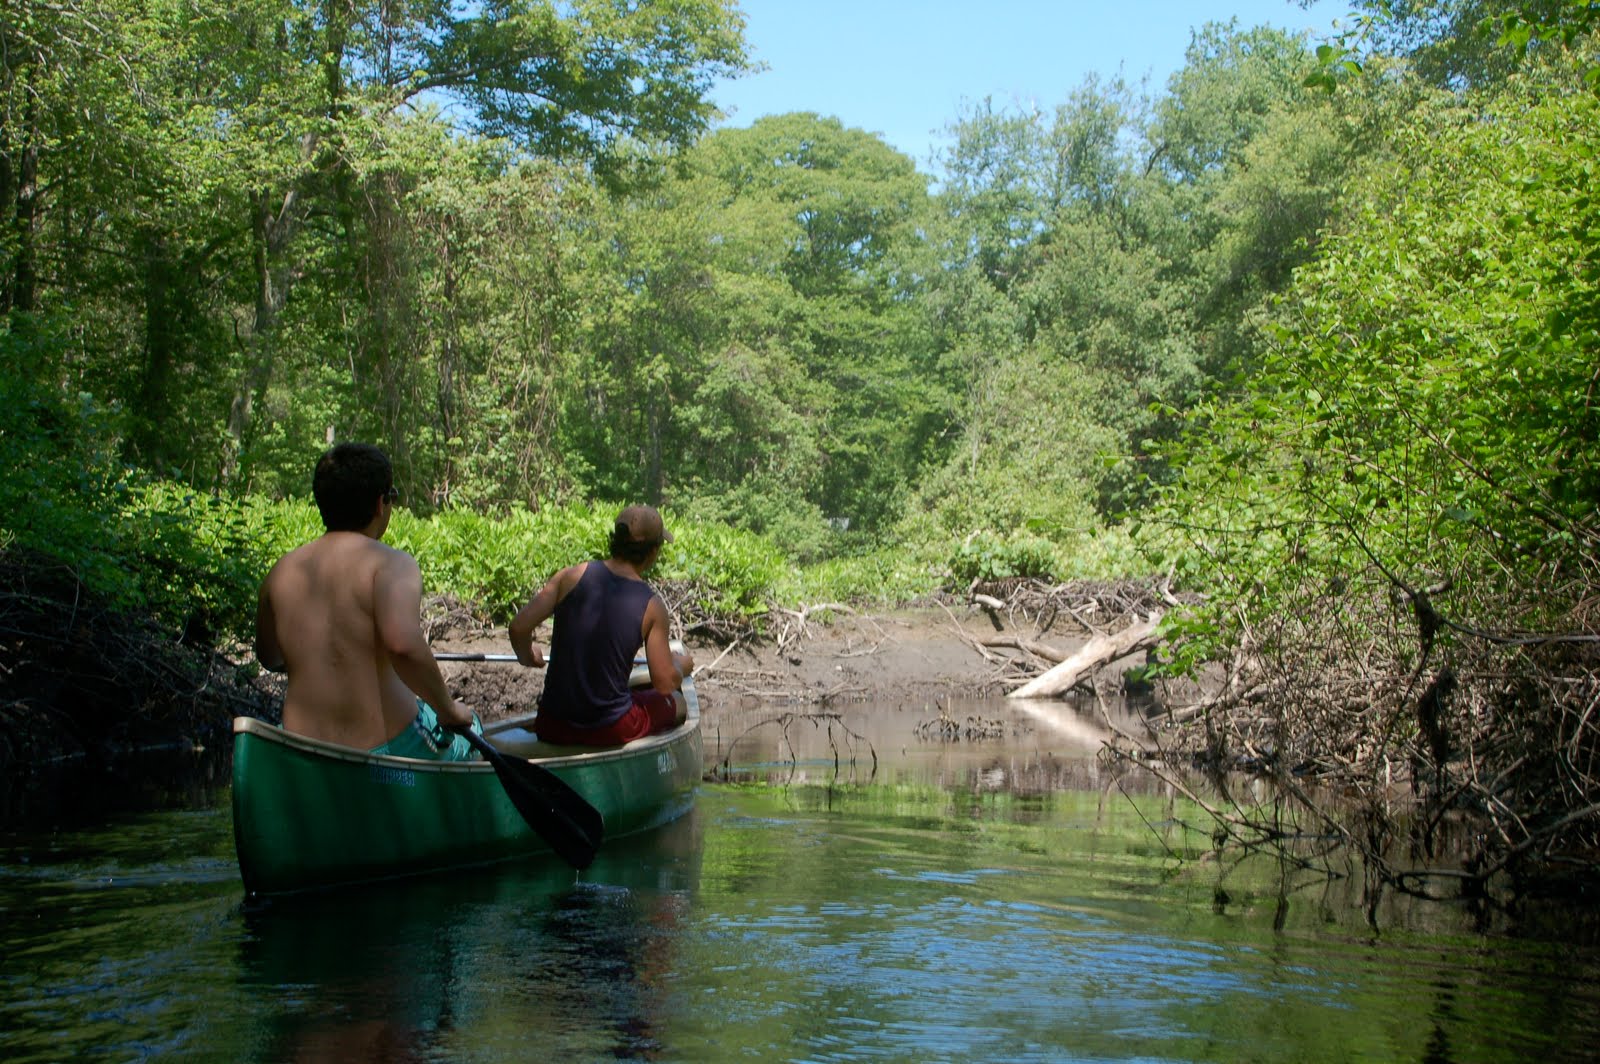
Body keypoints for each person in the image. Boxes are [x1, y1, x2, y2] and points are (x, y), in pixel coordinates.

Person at [255, 442, 480, 759]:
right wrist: (448, 709)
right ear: (380, 504)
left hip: (300, 749)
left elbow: (269, 656)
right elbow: (403, 645)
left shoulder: (281, 572)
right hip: (384, 750)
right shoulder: (392, 564)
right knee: (473, 733)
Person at [509, 504, 694, 746]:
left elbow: (518, 628)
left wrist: (527, 655)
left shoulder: (569, 577)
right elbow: (664, 682)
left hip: (551, 725)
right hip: (610, 729)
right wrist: (681, 666)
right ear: (654, 552)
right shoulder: (652, 606)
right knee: (677, 702)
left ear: (615, 540)